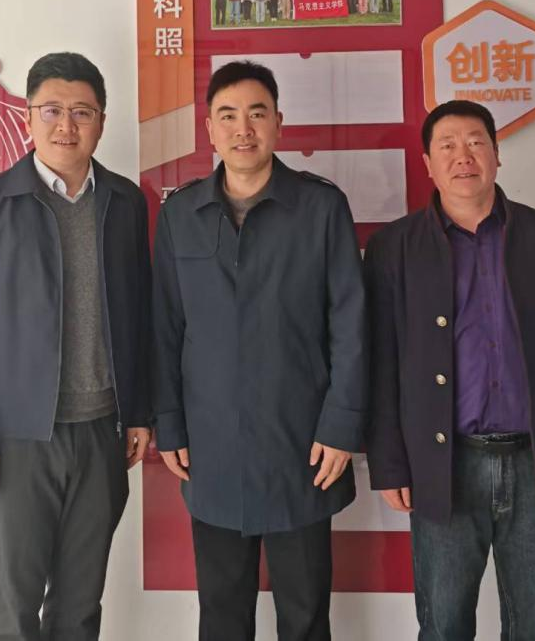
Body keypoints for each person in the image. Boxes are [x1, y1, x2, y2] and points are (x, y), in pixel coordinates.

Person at [365, 99, 535, 641]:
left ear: (497, 155)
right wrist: (389, 464)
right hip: (442, 465)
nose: (464, 156)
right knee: (443, 625)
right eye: (448, 146)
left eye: (476, 143)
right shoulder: (393, 249)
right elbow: (381, 365)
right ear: (428, 163)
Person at [152, 60, 368, 641]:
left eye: (256, 114)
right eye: (227, 116)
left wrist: (342, 425)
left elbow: (350, 323)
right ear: (209, 129)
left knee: (305, 616)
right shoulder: (180, 214)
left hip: (303, 445)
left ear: (278, 123)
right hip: (212, 446)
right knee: (222, 617)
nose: (242, 129)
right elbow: (165, 326)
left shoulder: (320, 208)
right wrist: (169, 424)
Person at [0, 52, 152, 641]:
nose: (67, 126)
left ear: (102, 120)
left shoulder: (125, 202)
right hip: (17, 442)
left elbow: (139, 312)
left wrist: (139, 410)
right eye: (52, 110)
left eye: (82, 112)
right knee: (13, 609)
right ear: (28, 118)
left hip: (102, 434)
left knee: (79, 609)